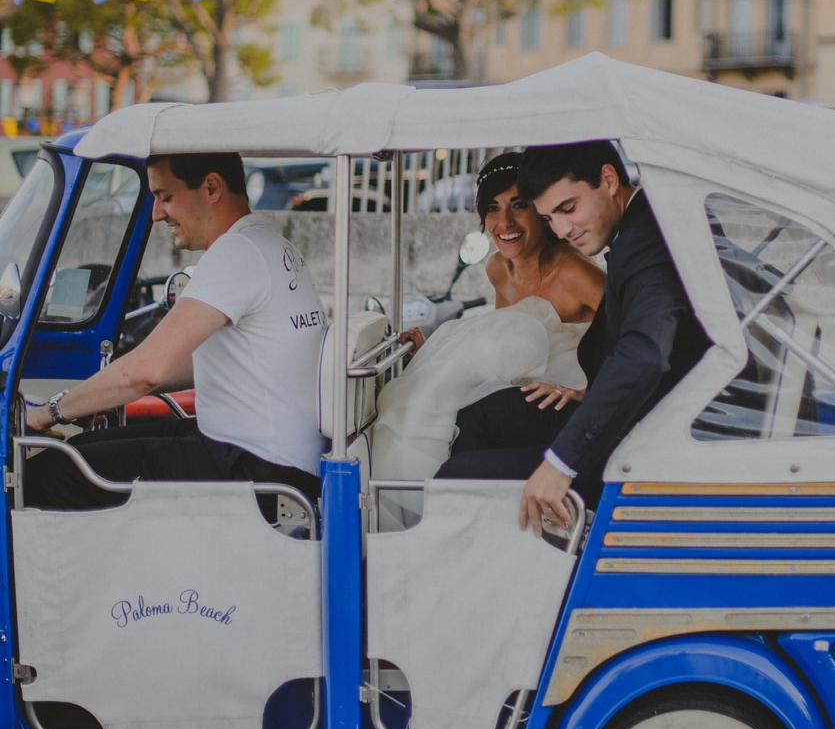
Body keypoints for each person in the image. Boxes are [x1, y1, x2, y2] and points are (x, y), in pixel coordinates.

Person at [25, 151, 327, 508]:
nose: (156, 214)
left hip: (259, 469)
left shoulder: (236, 253)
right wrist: (90, 398)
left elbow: (146, 372)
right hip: (270, 459)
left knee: (44, 476)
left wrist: (50, 412)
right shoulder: (267, 244)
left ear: (211, 187)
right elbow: (202, 364)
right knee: (77, 452)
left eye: (165, 197)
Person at [435, 140, 709, 534]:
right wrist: (586, 393)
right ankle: (507, 540)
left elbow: (646, 353)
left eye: (568, 208)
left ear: (609, 180)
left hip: (645, 437)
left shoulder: (650, 244)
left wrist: (561, 463)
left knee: (456, 476)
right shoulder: (640, 226)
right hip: (629, 410)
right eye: (550, 218)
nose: (562, 229)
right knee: (480, 416)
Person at [400, 152, 605, 361]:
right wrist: (431, 354)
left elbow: (634, 333)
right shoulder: (498, 268)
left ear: (542, 213)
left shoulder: (573, 272)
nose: (505, 222)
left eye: (519, 205)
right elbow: (500, 345)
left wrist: (583, 391)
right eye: (492, 208)